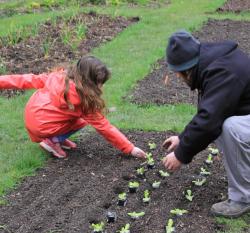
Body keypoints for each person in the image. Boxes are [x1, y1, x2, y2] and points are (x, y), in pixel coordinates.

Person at [162, 30, 250, 217]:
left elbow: (209, 120)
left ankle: (241, 199)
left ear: (187, 68)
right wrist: (182, 138)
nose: (178, 77)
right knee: (224, 125)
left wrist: (181, 154)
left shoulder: (222, 72)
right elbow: (210, 112)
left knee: (230, 128)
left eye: (178, 73)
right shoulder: (213, 62)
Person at [0, 55, 146, 159]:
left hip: (31, 116)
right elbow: (104, 127)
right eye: (99, 83)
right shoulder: (84, 101)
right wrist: (130, 148)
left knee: (70, 115)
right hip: (43, 126)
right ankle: (52, 141)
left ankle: (57, 138)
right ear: (89, 81)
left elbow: (25, 79)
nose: (101, 86)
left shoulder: (58, 76)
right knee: (83, 121)